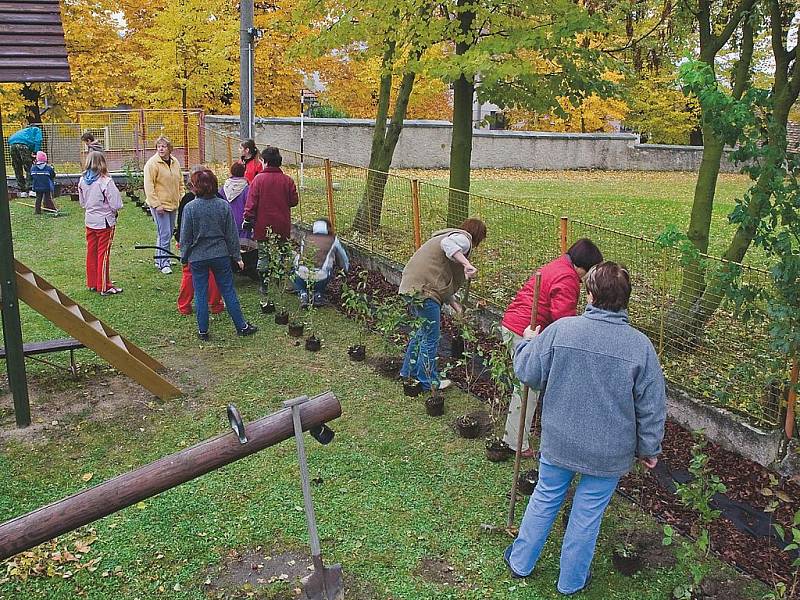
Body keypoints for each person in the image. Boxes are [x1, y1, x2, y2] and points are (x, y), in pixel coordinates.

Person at [503, 261, 666, 595]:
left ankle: (520, 562)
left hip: (560, 441)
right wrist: (649, 449)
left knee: (545, 497)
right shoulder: (641, 347)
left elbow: (528, 371)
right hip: (608, 452)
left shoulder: (562, 330)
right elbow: (651, 406)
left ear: (589, 294)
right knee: (587, 516)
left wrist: (526, 342)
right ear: (626, 299)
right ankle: (571, 581)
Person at [501, 238, 603, 458]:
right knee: (528, 386)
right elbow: (563, 319)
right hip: (525, 330)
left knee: (528, 384)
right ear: (582, 266)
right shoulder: (567, 278)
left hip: (515, 323)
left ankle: (517, 435)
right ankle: (515, 442)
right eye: (590, 271)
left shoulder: (558, 265)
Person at [398, 218, 487, 391]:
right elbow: (449, 244)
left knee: (421, 333)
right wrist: (467, 264)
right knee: (430, 337)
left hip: (412, 287)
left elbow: (438, 278)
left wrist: (456, 306)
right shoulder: (463, 239)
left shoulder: (444, 236)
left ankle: (408, 372)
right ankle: (428, 382)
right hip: (425, 291)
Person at [179, 168, 258, 341]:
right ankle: (242, 327)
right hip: (221, 256)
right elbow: (231, 234)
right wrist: (237, 256)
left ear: (196, 186)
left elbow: (185, 237)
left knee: (200, 293)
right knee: (228, 291)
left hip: (198, 257)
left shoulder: (190, 208)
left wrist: (184, 256)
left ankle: (203, 331)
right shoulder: (223, 205)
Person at [242, 146, 299, 302]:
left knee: (263, 255)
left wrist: (247, 219)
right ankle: (284, 282)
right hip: (282, 224)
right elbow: (294, 201)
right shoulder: (287, 180)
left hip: (263, 225)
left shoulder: (258, 180)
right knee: (283, 254)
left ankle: (264, 285)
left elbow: (251, 203)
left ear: (265, 161)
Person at [174, 166, 225, 317]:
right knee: (213, 274)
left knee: (189, 274)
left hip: (192, 245)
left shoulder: (188, 200)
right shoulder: (219, 200)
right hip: (215, 246)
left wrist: (182, 243)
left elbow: (182, 224)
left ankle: (184, 306)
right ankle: (215, 304)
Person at [79, 151, 123, 295]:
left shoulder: (82, 180)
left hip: (90, 220)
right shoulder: (105, 181)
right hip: (104, 222)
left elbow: (82, 202)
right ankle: (104, 285)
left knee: (91, 251)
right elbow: (116, 203)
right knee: (103, 254)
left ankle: (92, 282)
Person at [144, 136, 183, 274]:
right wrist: (156, 204)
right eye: (158, 146)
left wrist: (180, 197)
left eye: (163, 146)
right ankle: (163, 263)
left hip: (173, 203)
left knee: (167, 232)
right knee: (165, 233)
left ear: (169, 149)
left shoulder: (175, 162)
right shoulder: (152, 164)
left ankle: (161, 257)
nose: (161, 149)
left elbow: (180, 181)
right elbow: (149, 186)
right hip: (160, 205)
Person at [293, 218, 349, 308]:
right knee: (328, 267)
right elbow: (343, 258)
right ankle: (318, 295)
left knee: (297, 262)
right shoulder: (333, 240)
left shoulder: (306, 237)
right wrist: (346, 270)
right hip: (321, 278)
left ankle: (303, 293)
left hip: (301, 276)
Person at [8, 124, 42, 196]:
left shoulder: (24, 131)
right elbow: (38, 141)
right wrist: (36, 152)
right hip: (23, 145)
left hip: (12, 144)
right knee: (29, 167)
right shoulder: (37, 129)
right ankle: (31, 189)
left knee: (17, 167)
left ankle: (22, 190)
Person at [219, 161, 250, 238]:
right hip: (242, 224)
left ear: (231, 171)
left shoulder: (223, 188)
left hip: (226, 222)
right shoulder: (247, 188)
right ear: (244, 172)